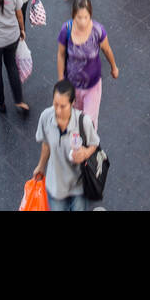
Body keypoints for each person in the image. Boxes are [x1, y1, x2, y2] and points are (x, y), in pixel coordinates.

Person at [33, 80, 99, 212]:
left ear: (73, 103)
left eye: (63, 106)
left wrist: (85, 153)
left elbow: (94, 144)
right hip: (55, 186)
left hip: (79, 187)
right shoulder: (46, 117)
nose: (58, 110)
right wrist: (40, 166)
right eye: (55, 104)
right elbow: (46, 144)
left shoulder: (84, 122)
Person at [56, 0, 118, 127]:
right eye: (79, 17)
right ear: (73, 16)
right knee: (74, 120)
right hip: (72, 86)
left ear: (91, 15)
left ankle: (90, 145)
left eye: (86, 17)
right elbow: (61, 54)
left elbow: (107, 50)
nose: (83, 22)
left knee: (88, 123)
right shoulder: (66, 30)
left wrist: (114, 67)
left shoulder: (98, 31)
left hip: (92, 86)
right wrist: (61, 79)